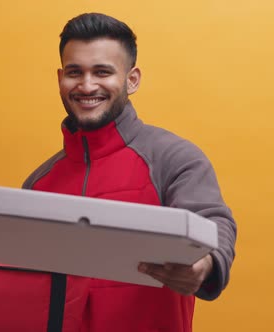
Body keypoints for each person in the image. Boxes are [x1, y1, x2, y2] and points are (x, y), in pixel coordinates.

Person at [23, 13, 237, 332]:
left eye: (102, 72)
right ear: (60, 78)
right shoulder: (39, 183)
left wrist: (205, 262)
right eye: (74, 72)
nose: (86, 85)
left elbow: (214, 222)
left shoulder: (174, 158)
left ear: (132, 79)